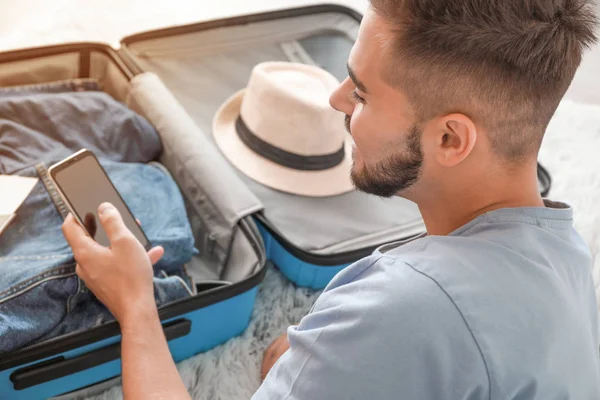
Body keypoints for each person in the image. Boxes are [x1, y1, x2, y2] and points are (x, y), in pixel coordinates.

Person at [62, 0, 600, 398]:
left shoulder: (400, 308)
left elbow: (410, 325)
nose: (337, 100)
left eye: (361, 92)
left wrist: (134, 304)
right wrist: (328, 363)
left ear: (450, 139)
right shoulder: (567, 258)